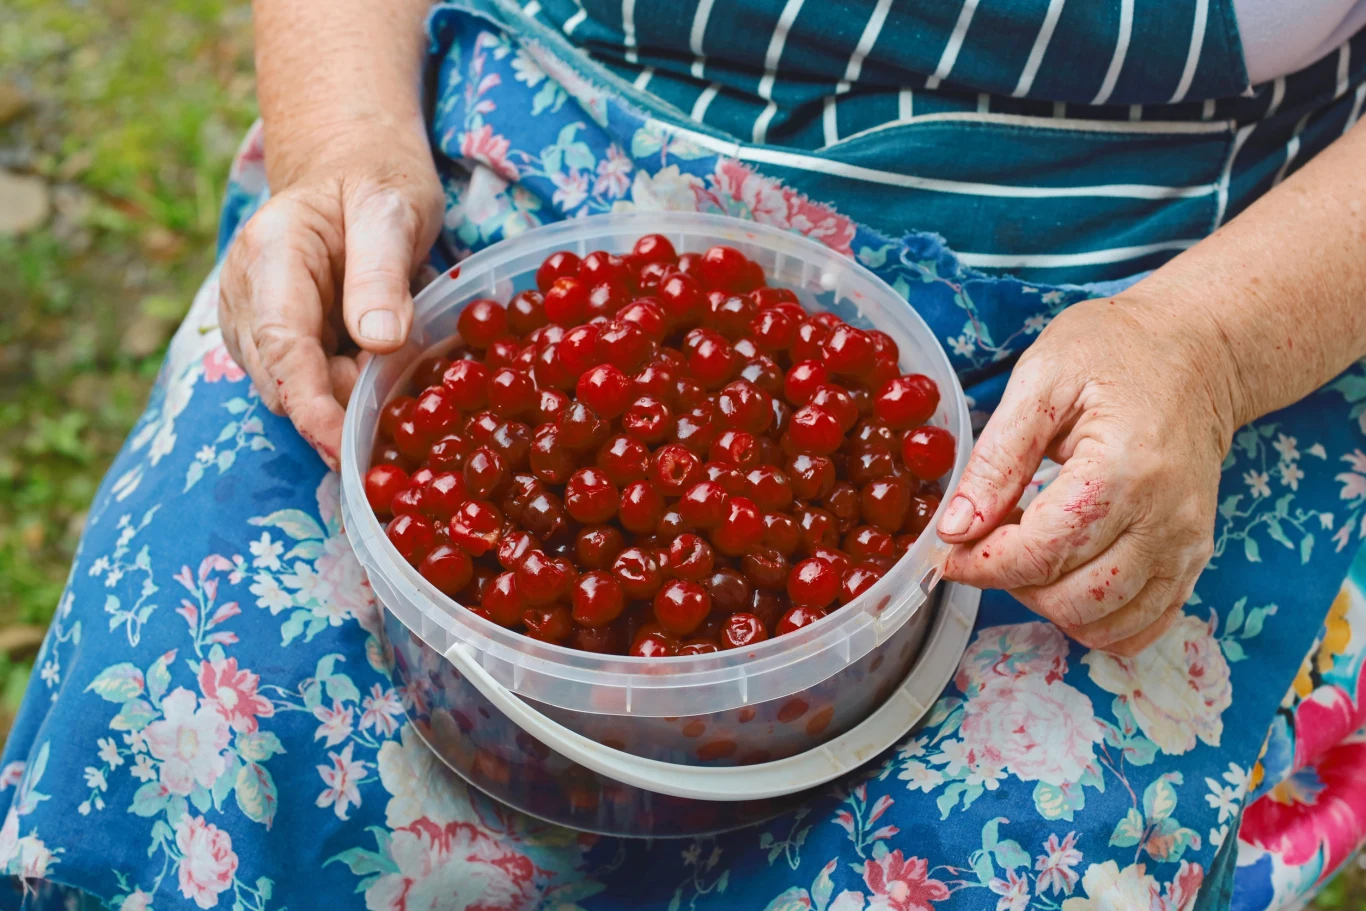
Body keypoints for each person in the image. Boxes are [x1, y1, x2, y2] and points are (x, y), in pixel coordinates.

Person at [2, 0, 1366, 907]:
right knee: (179, 749)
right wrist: (341, 139)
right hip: (512, 211)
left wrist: (1208, 350)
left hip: (1151, 306)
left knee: (1010, 852)